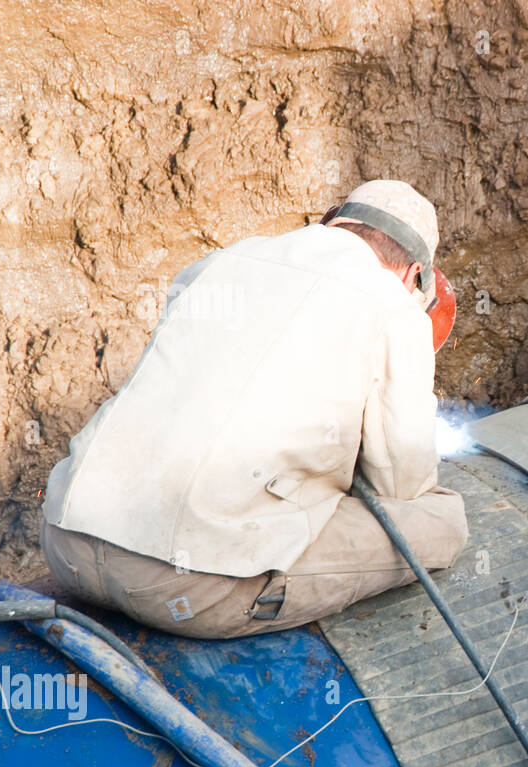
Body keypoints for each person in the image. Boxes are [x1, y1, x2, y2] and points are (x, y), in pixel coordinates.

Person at [40, 180, 469, 638]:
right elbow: (401, 484)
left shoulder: (221, 261)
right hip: (186, 587)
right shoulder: (396, 309)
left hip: (67, 542)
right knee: (440, 522)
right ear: (413, 274)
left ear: (334, 221)